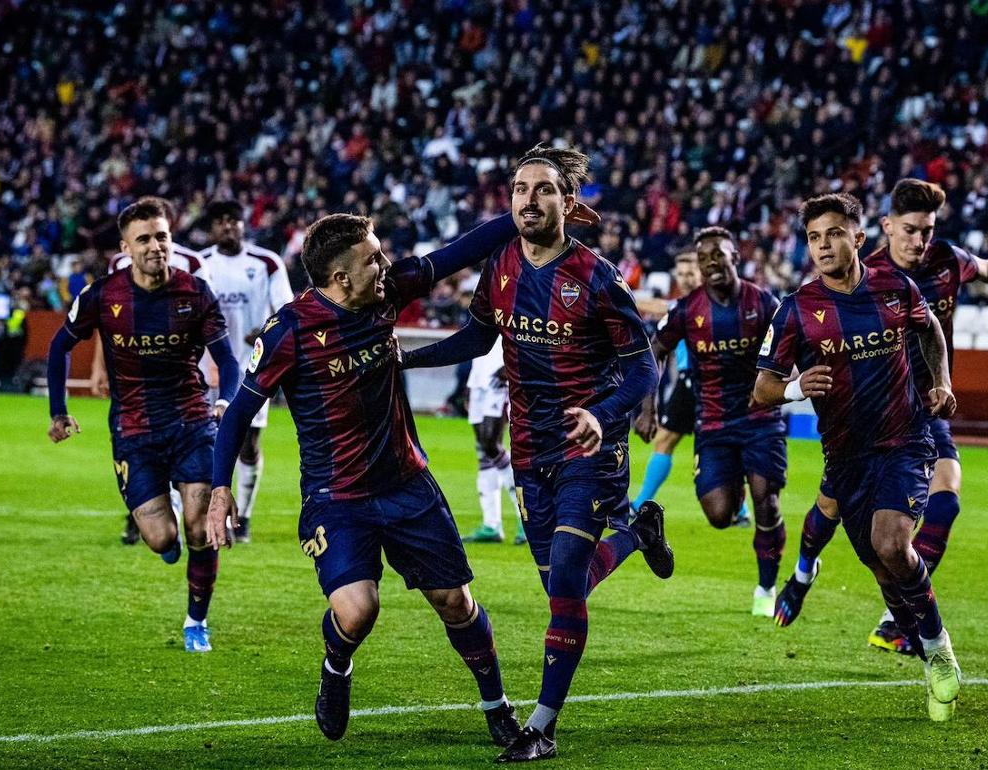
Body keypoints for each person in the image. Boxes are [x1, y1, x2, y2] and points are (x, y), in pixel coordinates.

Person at [204, 208, 591, 750]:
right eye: (373, 258)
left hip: (407, 484)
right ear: (341, 278)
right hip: (336, 496)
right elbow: (241, 412)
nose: (386, 264)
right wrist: (220, 489)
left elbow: (458, 252)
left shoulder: (385, 292)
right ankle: (336, 666)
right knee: (358, 610)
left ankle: (495, 704)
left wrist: (529, 215)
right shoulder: (290, 330)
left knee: (456, 602)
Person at [401, 143, 673, 762]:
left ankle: (542, 727)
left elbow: (643, 371)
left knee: (565, 589)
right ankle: (635, 533)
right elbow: (476, 337)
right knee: (560, 578)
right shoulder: (499, 267)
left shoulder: (598, 278)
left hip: (587, 449)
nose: (529, 199)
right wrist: (408, 358)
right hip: (529, 449)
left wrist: (602, 417)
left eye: (543, 189)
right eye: (521, 189)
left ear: (567, 203)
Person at [775, 179, 988, 653]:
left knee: (943, 505)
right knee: (830, 508)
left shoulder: (946, 259)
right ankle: (803, 572)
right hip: (859, 423)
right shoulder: (863, 274)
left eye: (926, 230)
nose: (918, 241)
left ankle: (898, 617)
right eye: (909, 230)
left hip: (922, 414)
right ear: (883, 229)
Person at [753, 192, 962, 721]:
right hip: (846, 458)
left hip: (906, 442)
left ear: (858, 238)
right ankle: (911, 635)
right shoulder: (797, 309)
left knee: (891, 543)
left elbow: (930, 328)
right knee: (880, 566)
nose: (823, 246)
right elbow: (762, 389)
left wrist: (940, 380)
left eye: (834, 234)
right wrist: (797, 387)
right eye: (814, 237)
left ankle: (940, 654)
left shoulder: (895, 286)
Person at [46, 197, 241, 653]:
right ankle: (167, 539)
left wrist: (226, 400)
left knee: (199, 527)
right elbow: (59, 348)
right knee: (160, 538)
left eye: (162, 236)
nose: (156, 246)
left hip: (192, 421)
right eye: (144, 239)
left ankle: (197, 621)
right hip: (133, 430)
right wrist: (59, 411)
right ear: (125, 247)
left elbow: (228, 361)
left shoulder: (196, 292)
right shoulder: (103, 295)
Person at [636, 227, 785, 616]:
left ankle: (766, 587)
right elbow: (656, 349)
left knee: (766, 502)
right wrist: (648, 407)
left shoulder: (762, 302)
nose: (711, 264)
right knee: (719, 515)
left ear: (736, 255)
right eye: (704, 259)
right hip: (714, 423)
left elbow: (793, 344)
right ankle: (732, 483)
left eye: (718, 255)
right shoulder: (688, 309)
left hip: (761, 420)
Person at [87, 197, 208, 547]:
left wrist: (212, 366)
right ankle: (140, 515)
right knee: (138, 446)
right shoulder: (118, 265)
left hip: (184, 382)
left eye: (160, 231)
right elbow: (110, 320)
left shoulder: (194, 264)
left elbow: (208, 315)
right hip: (135, 381)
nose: (154, 242)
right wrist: (99, 366)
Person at [631, 252, 752, 525]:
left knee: (670, 442)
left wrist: (619, 295)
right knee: (708, 445)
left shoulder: (702, 305)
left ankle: (639, 504)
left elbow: (661, 307)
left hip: (700, 384)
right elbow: (663, 307)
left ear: (702, 274)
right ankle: (741, 511)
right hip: (692, 384)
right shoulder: (691, 304)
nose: (685, 279)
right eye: (681, 274)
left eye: (690, 273)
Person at [200, 200, 294, 543]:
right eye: (221, 221)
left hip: (253, 368)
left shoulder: (266, 262)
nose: (228, 227)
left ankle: (246, 517)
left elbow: (286, 310)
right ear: (211, 228)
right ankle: (200, 512)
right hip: (205, 367)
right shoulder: (201, 263)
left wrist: (266, 330)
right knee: (202, 441)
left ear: (243, 224)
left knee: (248, 445)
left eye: (234, 221)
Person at [463, 335, 527, 545]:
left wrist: (511, 366)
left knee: (492, 444)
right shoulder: (481, 304)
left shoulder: (513, 303)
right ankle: (491, 524)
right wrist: (471, 383)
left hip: (500, 377)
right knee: (483, 449)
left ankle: (525, 517)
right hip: (479, 378)